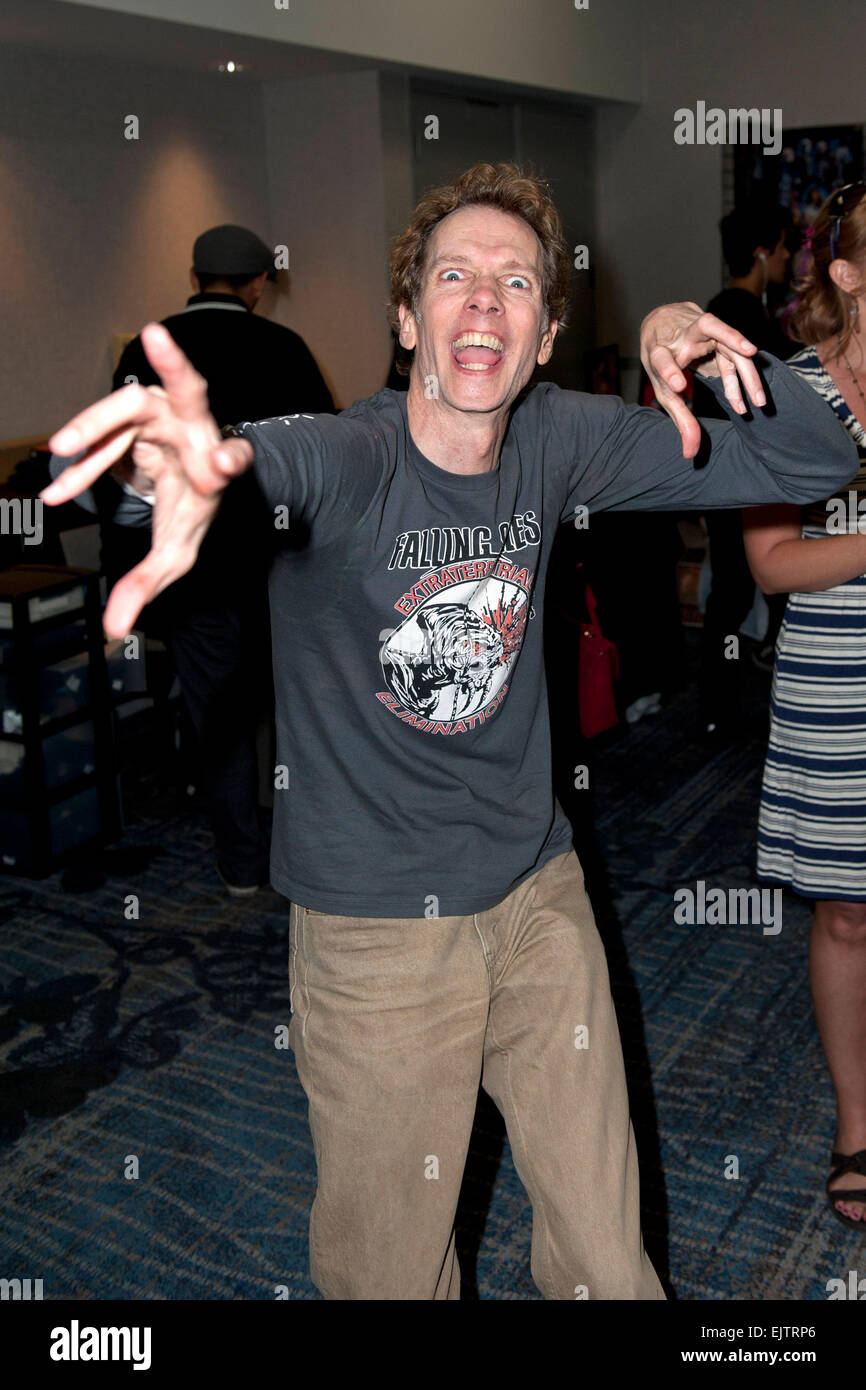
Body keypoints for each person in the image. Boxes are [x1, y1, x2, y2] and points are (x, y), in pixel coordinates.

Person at [42, 164, 858, 1299]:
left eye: (514, 282)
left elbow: (818, 457)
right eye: (453, 277)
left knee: (609, 1261)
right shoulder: (350, 457)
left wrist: (715, 344)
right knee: (390, 1276)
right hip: (377, 930)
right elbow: (244, 470)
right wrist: (170, 473)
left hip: (536, 892)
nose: (482, 300)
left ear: (543, 333)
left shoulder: (558, 438)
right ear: (405, 318)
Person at [56, 225, 334, 895]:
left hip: (191, 575)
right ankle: (319, 856)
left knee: (219, 719)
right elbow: (329, 458)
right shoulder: (284, 347)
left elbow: (119, 466)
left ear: (194, 275)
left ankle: (242, 864)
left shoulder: (145, 354)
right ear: (259, 283)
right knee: (304, 713)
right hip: (280, 567)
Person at [742, 183, 866, 1230]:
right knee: (847, 913)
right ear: (844, 271)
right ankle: (854, 1124)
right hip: (834, 683)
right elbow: (773, 564)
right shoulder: (783, 392)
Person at [694, 198, 794, 741]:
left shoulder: (714, 308)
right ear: (762, 252)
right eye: (782, 247)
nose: (786, 257)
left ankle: (719, 702)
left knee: (733, 589)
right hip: (744, 474)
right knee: (740, 589)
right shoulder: (750, 320)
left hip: (719, 471)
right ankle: (721, 705)